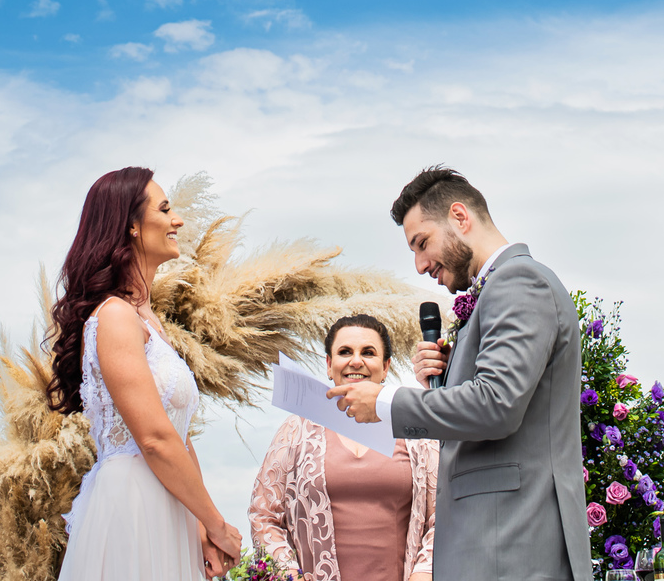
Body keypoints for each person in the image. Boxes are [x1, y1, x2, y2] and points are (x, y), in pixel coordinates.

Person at [327, 167, 592, 581]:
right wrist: (451, 375)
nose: (419, 265)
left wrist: (383, 402)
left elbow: (496, 405)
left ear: (459, 217)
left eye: (422, 243)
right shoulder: (499, 290)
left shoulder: (519, 281)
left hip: (514, 548)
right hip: (493, 548)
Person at [48, 167, 242, 581]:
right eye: (165, 209)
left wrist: (199, 526)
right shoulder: (115, 316)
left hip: (169, 505)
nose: (178, 221)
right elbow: (153, 439)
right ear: (131, 225)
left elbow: (179, 436)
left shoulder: (148, 320)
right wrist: (217, 524)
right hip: (133, 508)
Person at [248, 314, 438, 581]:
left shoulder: (415, 433)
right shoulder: (295, 430)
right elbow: (264, 514)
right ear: (329, 364)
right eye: (345, 352)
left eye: (368, 353)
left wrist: (423, 573)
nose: (356, 361)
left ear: (386, 367)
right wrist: (288, 573)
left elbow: (441, 515)